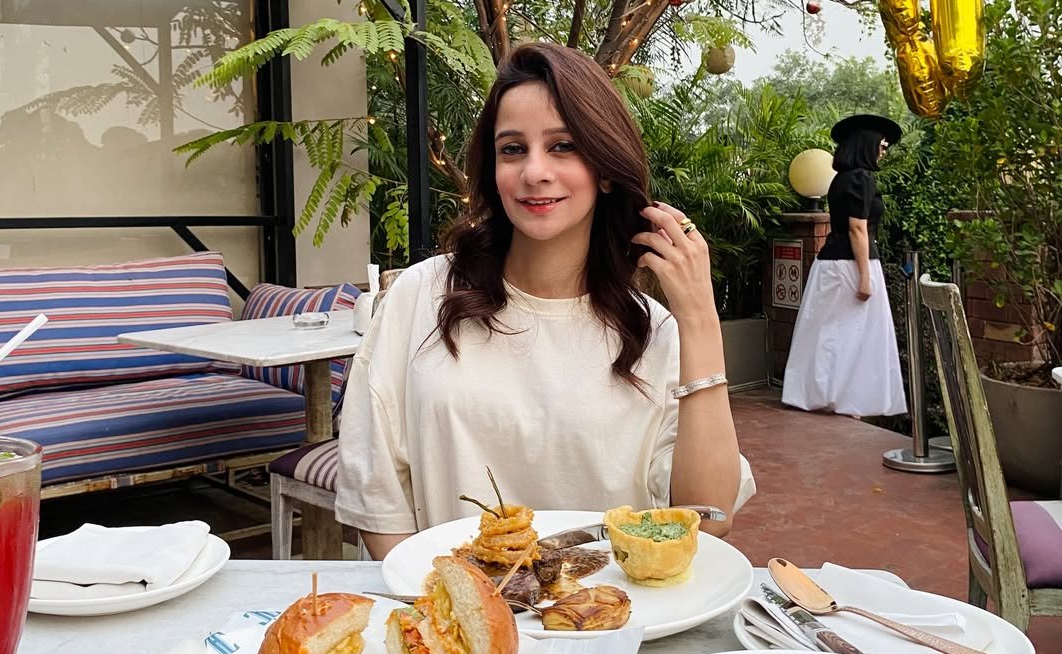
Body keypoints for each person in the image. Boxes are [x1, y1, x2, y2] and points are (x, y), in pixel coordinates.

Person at [336, 41, 755, 559]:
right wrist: (437, 597)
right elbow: (377, 492)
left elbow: (708, 519)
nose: (534, 171)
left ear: (605, 168)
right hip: (450, 601)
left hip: (607, 604)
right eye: (513, 149)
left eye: (563, 146)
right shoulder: (422, 296)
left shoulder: (652, 332)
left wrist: (700, 318)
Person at [781, 112, 907, 418]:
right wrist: (865, 276)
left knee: (827, 332)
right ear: (867, 144)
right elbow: (857, 229)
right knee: (856, 336)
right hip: (851, 265)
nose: (884, 150)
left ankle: (823, 396)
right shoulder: (862, 178)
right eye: (882, 144)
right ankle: (847, 401)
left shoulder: (840, 179)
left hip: (831, 264)